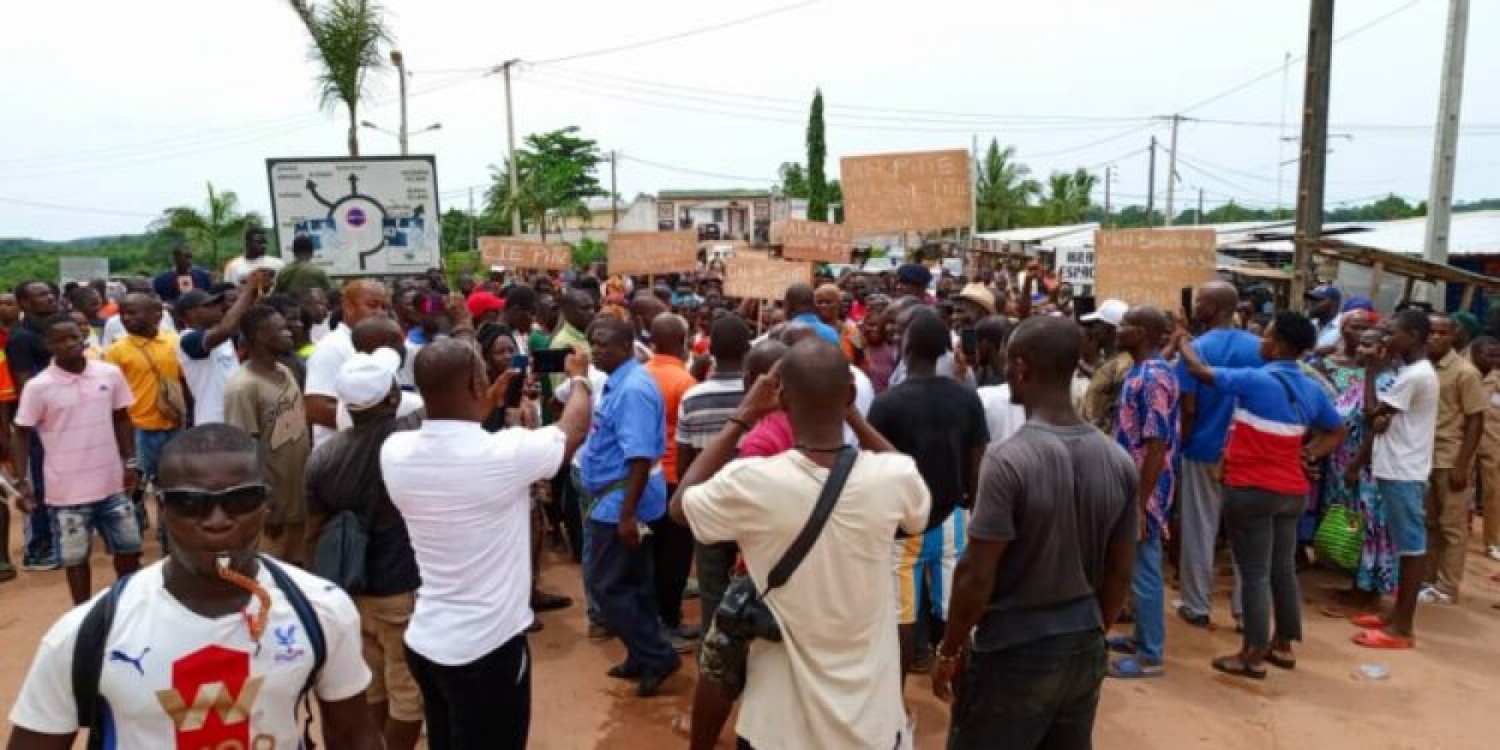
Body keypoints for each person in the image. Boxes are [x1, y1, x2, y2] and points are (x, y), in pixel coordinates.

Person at [7, 424, 380, 749]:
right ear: (162, 509)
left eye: (241, 500)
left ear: (266, 504)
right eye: (190, 503)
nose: (217, 521)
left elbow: (352, 735)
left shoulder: (320, 609)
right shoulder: (86, 635)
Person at [672, 338, 930, 750]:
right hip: (872, 724)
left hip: (779, 728)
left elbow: (681, 505)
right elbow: (915, 498)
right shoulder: (892, 477)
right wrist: (855, 417)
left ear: (779, 400)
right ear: (849, 395)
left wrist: (742, 416)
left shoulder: (753, 481)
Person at [934, 316, 1137, 749]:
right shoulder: (1118, 459)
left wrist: (949, 650)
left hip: (1015, 649)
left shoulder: (1007, 460)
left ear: (1021, 367)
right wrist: (1093, 636)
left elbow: (975, 573)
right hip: (1083, 642)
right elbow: (1121, 568)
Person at [381, 339, 591, 748]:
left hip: (427, 640)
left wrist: (484, 400)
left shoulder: (395, 451)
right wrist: (579, 378)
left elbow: (449, 422)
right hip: (486, 648)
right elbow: (575, 428)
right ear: (478, 384)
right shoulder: (504, 453)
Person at [1176, 311, 1346, 678]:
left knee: (1254, 573)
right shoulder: (1311, 387)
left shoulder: (1257, 380)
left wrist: (1184, 344)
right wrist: (1309, 453)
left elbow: (1200, 374)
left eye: (1266, 337)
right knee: (1282, 570)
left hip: (1252, 488)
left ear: (1281, 344)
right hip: (1292, 491)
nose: (1261, 343)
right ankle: (1282, 645)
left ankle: (1251, 653)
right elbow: (1337, 430)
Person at [305, 347, 426, 750]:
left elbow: (314, 529)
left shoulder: (323, 458)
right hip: (401, 585)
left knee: (371, 686)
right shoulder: (410, 442)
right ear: (392, 397)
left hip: (351, 588)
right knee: (408, 692)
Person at [867, 309, 988, 686]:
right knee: (955, 617)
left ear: (906, 345)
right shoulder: (967, 398)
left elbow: (876, 470)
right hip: (954, 519)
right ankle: (963, 698)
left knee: (902, 618)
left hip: (903, 526)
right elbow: (976, 462)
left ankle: (895, 704)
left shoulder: (887, 403)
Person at [577, 317, 681, 696]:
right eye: (593, 343)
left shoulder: (633, 388)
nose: (595, 350)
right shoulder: (621, 382)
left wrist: (626, 514)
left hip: (621, 502)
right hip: (619, 497)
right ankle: (641, 653)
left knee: (608, 587)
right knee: (635, 584)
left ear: (625, 346)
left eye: (603, 343)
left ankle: (657, 656)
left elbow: (638, 457)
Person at [11, 315, 140, 604]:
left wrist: (129, 462)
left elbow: (122, 419)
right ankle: (81, 614)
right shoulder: (38, 387)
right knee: (76, 558)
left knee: (129, 550)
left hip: (112, 484)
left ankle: (127, 607)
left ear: (83, 338)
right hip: (67, 492)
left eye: (73, 337)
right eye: (60, 339)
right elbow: (21, 433)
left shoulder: (109, 374)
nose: (69, 344)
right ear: (48, 345)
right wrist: (22, 482)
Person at [1175, 281, 1264, 628]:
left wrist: (1181, 444)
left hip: (1203, 448)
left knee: (1200, 527)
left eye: (1200, 302)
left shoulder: (1194, 351)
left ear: (1212, 308)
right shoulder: (1260, 348)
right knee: (1247, 531)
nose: (1195, 308)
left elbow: (1189, 408)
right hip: (1249, 450)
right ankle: (1245, 611)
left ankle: (1197, 605)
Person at [1351, 310, 1439, 650]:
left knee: (1411, 548)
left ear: (1413, 337)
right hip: (1398, 466)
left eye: (1394, 333)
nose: (1387, 340)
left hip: (1404, 469)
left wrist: (1372, 373)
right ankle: (1394, 618)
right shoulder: (1412, 372)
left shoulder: (1414, 375)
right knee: (1405, 545)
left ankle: (1402, 627)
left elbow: (1373, 413)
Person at [1107, 305, 1178, 679]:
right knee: (1135, 564)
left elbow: (1156, 445)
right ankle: (1141, 637)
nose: (1120, 329)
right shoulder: (1142, 369)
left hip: (1144, 488)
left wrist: (1139, 502)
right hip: (1131, 484)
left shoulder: (1153, 377)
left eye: (1128, 324)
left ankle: (1151, 655)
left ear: (1146, 333)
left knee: (1145, 566)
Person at [674, 315, 751, 634]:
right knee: (753, 589)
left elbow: (684, 462)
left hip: (709, 504)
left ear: (711, 350)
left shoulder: (693, 397)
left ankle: (715, 656)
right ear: (748, 348)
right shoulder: (762, 397)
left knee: (712, 591)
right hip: (753, 507)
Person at [1319, 314, 1399, 607]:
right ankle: (1357, 584)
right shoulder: (1362, 378)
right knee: (1354, 525)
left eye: (1369, 345)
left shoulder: (1387, 381)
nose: (1362, 350)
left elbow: (1372, 420)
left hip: (1368, 468)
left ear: (1383, 350)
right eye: (1362, 344)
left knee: (1367, 527)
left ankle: (1367, 592)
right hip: (1349, 466)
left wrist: (1354, 465)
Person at [223, 305, 311, 566]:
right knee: (267, 573)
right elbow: (242, 452)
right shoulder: (243, 386)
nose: (291, 333)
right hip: (273, 508)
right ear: (261, 336)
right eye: (282, 329)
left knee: (296, 569)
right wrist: (264, 503)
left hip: (297, 497)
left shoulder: (284, 371)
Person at [1417, 313, 1485, 605]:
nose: (1435, 337)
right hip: (1423, 455)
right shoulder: (1421, 367)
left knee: (1452, 525)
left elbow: (1475, 420)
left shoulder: (1464, 373)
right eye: (1431, 332)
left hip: (1450, 456)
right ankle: (1427, 579)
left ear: (1454, 336)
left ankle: (1447, 586)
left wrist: (1462, 464)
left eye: (1442, 333)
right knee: (1429, 522)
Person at [101, 292, 185, 511]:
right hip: (137, 431)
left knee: (172, 488)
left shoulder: (174, 343)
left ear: (156, 314)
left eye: (132, 313)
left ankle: (169, 539)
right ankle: (133, 536)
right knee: (135, 490)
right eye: (122, 314)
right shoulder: (115, 351)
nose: (125, 319)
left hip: (173, 427)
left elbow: (185, 383)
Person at [7, 281, 62, 571]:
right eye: (40, 295)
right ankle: (37, 548)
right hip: (39, 424)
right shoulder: (22, 338)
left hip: (62, 422)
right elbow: (25, 383)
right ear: (25, 304)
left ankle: (56, 541)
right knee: (39, 484)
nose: (49, 297)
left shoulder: (53, 330)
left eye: (50, 293)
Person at [305, 279, 390, 445]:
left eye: (385, 307)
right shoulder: (333, 347)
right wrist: (375, 425)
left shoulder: (376, 345)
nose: (380, 313)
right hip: (341, 459)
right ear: (348, 307)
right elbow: (316, 407)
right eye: (372, 305)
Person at [176, 280, 261, 426]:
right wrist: (247, 292)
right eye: (209, 305)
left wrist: (254, 294)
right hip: (213, 421)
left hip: (238, 416)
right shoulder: (187, 339)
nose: (217, 308)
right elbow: (226, 328)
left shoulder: (224, 338)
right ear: (190, 313)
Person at [973, 315, 1026, 445]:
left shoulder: (984, 396)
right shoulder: (980, 376)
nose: (975, 349)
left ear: (985, 345)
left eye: (976, 343)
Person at [1081, 299, 1131, 434]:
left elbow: (1118, 412)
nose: (1093, 330)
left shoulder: (1123, 366)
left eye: (1097, 324)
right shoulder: (1110, 363)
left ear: (1110, 330)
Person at [1472, 336, 1500, 561]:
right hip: (1465, 444)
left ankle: (1493, 542)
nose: (1494, 359)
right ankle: (1463, 532)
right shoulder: (1467, 376)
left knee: (1493, 494)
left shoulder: (1497, 380)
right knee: (1461, 495)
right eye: (1489, 354)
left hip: (1493, 445)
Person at [813, 283, 859, 359]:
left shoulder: (852, 331)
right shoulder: (809, 331)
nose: (823, 306)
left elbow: (861, 359)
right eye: (819, 302)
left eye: (828, 302)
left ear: (839, 304)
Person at [859, 311, 897, 394]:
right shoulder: (856, 348)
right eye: (871, 325)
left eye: (880, 326)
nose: (875, 329)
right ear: (863, 327)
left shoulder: (893, 352)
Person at [1307, 284, 1343, 352]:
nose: (1312, 303)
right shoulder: (1309, 324)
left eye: (1318, 300)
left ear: (1334, 304)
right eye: (1311, 299)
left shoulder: (1343, 327)